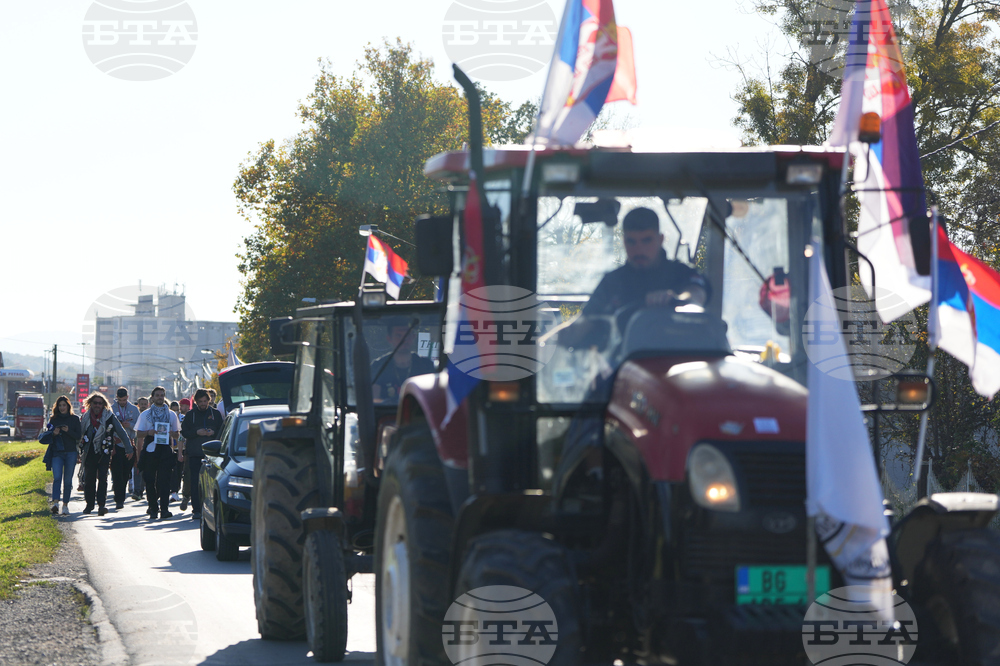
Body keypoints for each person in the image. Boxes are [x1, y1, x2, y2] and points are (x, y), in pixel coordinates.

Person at [582, 207, 710, 317]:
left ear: (660, 239)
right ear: (624, 242)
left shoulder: (682, 273)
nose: (639, 249)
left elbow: (696, 294)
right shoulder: (612, 282)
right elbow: (584, 321)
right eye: (631, 242)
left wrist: (676, 298)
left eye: (646, 240)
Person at [79, 392, 133, 516]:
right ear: (90, 404)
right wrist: (77, 450)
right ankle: (89, 505)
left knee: (103, 478)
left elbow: (121, 432)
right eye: (95, 403)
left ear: (104, 404)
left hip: (104, 452)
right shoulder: (86, 417)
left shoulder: (110, 416)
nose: (97, 405)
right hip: (89, 452)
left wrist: (129, 448)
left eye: (100, 403)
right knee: (89, 479)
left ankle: (101, 505)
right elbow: (79, 434)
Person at [135, 386, 181, 520]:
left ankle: (164, 509)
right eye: (157, 395)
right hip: (150, 449)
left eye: (162, 395)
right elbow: (138, 434)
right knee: (149, 480)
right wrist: (148, 432)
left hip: (165, 449)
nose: (160, 397)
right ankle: (153, 508)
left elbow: (177, 434)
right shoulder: (145, 414)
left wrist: (172, 433)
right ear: (152, 398)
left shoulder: (171, 414)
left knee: (164, 481)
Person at [180, 389, 224, 519]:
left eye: (205, 401)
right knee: (195, 483)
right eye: (200, 402)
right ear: (196, 402)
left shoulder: (215, 414)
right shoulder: (190, 415)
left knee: (212, 483)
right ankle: (196, 510)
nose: (203, 404)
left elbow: (222, 431)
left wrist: (213, 433)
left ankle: (212, 509)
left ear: (209, 400)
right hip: (195, 453)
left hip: (212, 455)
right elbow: (184, 432)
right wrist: (196, 432)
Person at [370, 320, 434, 402]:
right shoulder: (378, 367)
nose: (404, 340)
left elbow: (432, 398)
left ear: (413, 337)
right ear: (389, 339)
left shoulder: (426, 366)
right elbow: (373, 400)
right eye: (398, 336)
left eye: (407, 335)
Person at [45, 396, 81, 515]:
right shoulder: (53, 419)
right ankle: (55, 503)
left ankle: (65, 505)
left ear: (68, 406)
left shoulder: (74, 419)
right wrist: (54, 434)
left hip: (71, 452)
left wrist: (68, 431)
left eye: (64, 405)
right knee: (57, 478)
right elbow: (48, 436)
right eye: (60, 405)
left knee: (68, 480)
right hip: (57, 452)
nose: (62, 408)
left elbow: (78, 436)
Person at [110, 388, 139, 510]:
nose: (122, 402)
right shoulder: (111, 409)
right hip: (116, 445)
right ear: (116, 398)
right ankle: (119, 499)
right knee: (116, 474)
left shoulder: (134, 409)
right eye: (120, 400)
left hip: (129, 445)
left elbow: (139, 427)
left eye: (124, 400)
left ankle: (121, 493)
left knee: (126, 474)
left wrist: (130, 425)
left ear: (127, 397)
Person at [131, 396, 149, 501]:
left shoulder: (149, 416)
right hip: (137, 445)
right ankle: (137, 491)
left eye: (145, 404)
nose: (143, 406)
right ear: (138, 405)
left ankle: (143, 490)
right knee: (137, 468)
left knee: (145, 470)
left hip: (147, 446)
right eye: (141, 404)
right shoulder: (136, 416)